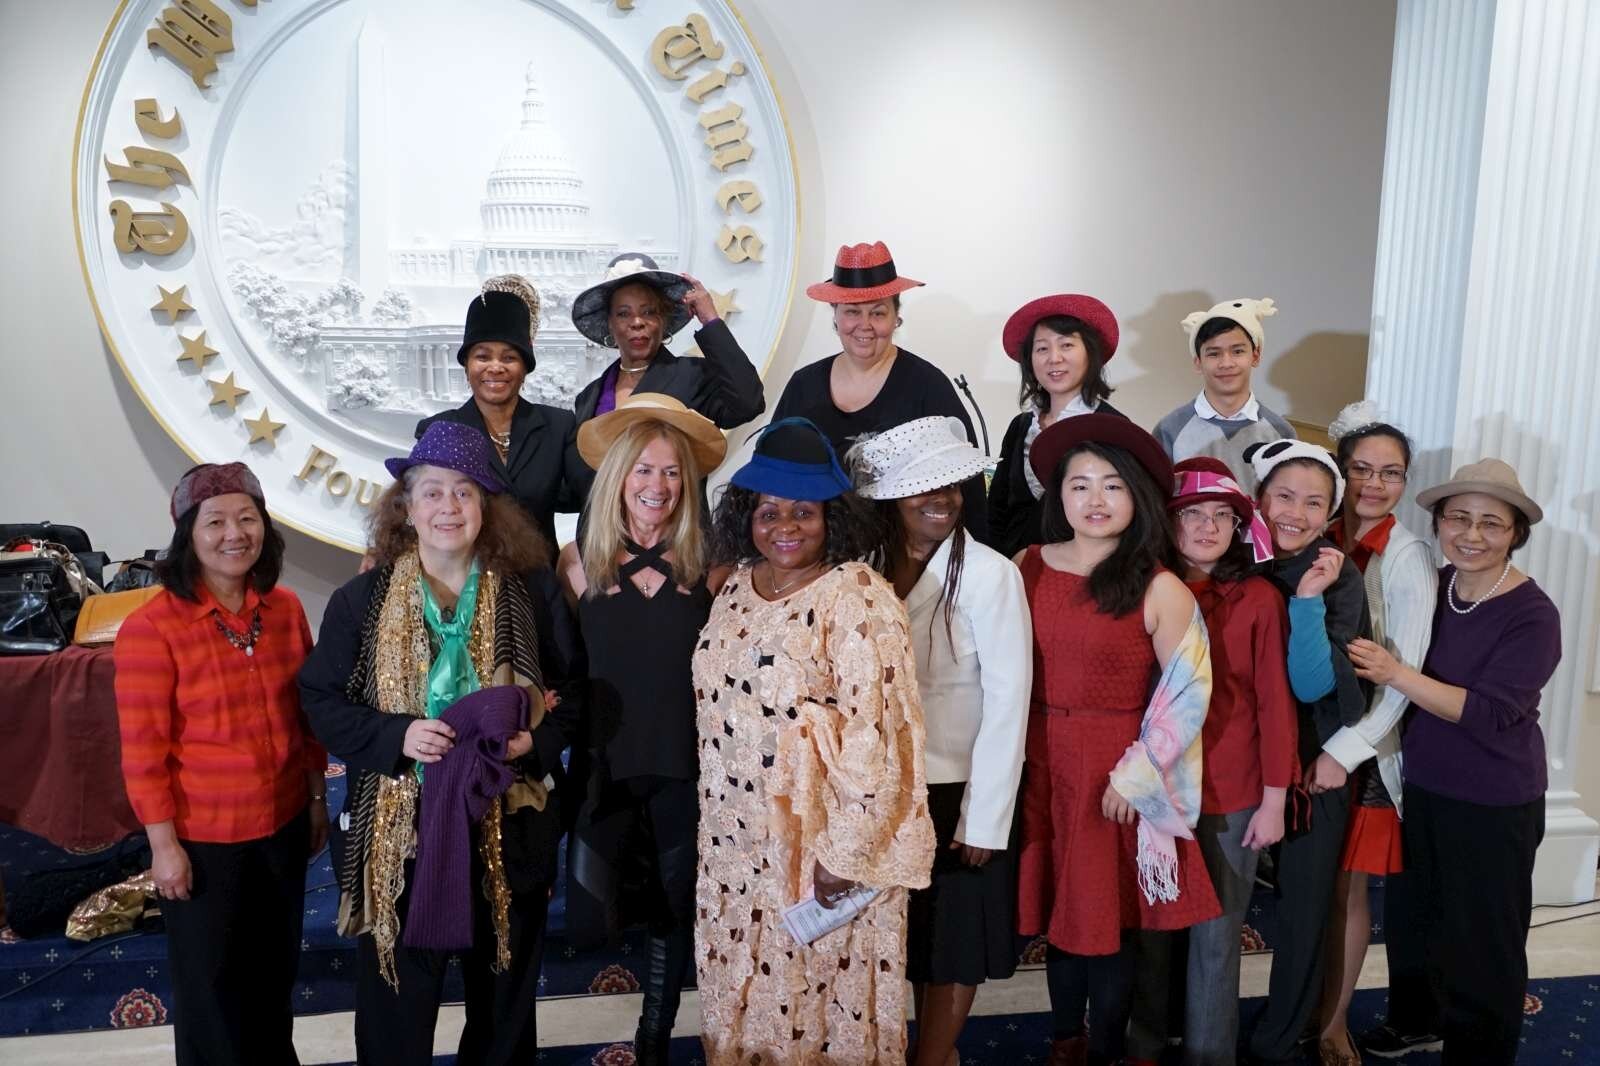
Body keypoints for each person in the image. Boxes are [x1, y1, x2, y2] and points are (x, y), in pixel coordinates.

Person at [298, 422, 581, 1066]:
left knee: (503, 999)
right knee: (397, 1003)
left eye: (464, 492)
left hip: (508, 825)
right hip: (398, 833)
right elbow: (320, 700)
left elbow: (575, 697)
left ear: (487, 506)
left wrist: (529, 747)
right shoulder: (361, 600)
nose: (448, 508)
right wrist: (398, 734)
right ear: (407, 506)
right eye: (431, 493)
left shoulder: (532, 594)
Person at [693, 418, 935, 1065]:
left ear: (832, 516)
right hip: (733, 850)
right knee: (741, 995)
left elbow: (882, 734)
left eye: (803, 511)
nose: (785, 526)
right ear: (747, 513)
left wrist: (845, 854)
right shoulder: (735, 588)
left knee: (819, 1007)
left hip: (817, 853)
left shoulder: (856, 597)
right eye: (768, 510)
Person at [1014, 414, 1219, 1066]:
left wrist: (1137, 776)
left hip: (1115, 772)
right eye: (1079, 486)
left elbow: (1189, 694)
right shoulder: (1027, 567)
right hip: (1040, 760)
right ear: (1059, 497)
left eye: (1111, 486)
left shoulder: (1159, 585)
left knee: (1107, 921)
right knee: (1059, 920)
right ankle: (1063, 1041)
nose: (1095, 500)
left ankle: (1107, 1049)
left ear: (1136, 497)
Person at [1348, 459, 1561, 1066]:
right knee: (1415, 919)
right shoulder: (1434, 584)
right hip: (1423, 786)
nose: (1472, 534)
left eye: (1491, 524)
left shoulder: (1533, 614)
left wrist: (1397, 675)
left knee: (1483, 942)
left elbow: (1492, 714)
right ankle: (1418, 1021)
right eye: (1458, 518)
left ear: (1515, 533)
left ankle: (1480, 1053)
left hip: (1495, 800)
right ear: (1439, 522)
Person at [114, 462, 326, 1066]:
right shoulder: (151, 629)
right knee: (212, 993)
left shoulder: (284, 609)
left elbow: (306, 719)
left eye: (247, 517)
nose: (234, 534)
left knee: (272, 978)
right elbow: (142, 752)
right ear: (188, 534)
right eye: (215, 522)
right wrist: (163, 847)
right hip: (203, 842)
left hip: (283, 825)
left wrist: (314, 800)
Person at [849, 416, 1033, 1066]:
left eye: (952, 488)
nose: (943, 501)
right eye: (925, 490)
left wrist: (987, 820)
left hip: (958, 791)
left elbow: (1010, 701)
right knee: (896, 938)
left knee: (953, 947)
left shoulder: (989, 574)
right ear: (891, 499)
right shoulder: (861, 569)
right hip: (877, 791)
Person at [556, 394, 729, 1064]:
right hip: (604, 765)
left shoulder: (711, 568)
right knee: (597, 913)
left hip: (686, 767)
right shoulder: (578, 566)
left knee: (674, 908)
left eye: (672, 473)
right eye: (644, 471)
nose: (657, 486)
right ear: (619, 476)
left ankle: (654, 1035)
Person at [1130, 456, 1297, 1066]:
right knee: (1152, 926)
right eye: (1192, 514)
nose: (1206, 527)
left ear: (1237, 525)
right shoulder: (1145, 587)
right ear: (1169, 523)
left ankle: (1209, 1054)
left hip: (1233, 787)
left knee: (1217, 937)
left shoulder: (1258, 599)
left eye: (1220, 516)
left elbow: (1275, 704)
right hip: (1159, 785)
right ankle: (1144, 1045)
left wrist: (1276, 797)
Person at [1239, 439, 1372, 1066]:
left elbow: (1316, 685)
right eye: (1284, 496)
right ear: (1260, 498)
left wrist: (1309, 600)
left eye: (1313, 502)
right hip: (1237, 756)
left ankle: (1278, 1037)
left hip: (1316, 763)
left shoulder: (1334, 574)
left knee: (1303, 907)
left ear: (1329, 514)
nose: (1296, 512)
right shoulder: (1233, 557)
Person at [1314, 405, 1438, 1066]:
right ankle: (1308, 1004)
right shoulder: (1318, 532)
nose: (1374, 483)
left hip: (1365, 748)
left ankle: (1334, 1021)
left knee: (1348, 890)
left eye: (1390, 473)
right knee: (1311, 888)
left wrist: (1349, 750)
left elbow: (1403, 674)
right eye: (1361, 468)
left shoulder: (1407, 552)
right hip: (1313, 735)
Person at [771, 241, 989, 542]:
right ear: (835, 317)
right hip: (817, 557)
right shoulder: (803, 385)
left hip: (907, 560)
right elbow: (772, 475)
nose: (864, 325)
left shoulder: (928, 385)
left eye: (877, 313)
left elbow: (968, 489)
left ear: (896, 317)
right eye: (851, 312)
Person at [416, 276, 592, 549]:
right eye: (483, 357)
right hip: (463, 584)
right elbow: (418, 509)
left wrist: (580, 557)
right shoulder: (439, 430)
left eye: (509, 358)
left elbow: (590, 499)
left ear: (525, 368)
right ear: (467, 367)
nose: (495, 367)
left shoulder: (558, 426)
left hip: (540, 584)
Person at [989, 294, 1129, 558]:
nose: (1054, 358)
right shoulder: (1020, 427)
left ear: (1090, 352)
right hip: (1016, 572)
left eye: (1066, 345)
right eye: (1042, 348)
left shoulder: (1113, 427)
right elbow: (997, 509)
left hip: (1085, 572)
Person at [571, 252, 765, 429]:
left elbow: (748, 404)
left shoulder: (694, 376)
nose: (637, 322)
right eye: (623, 314)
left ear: (663, 320)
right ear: (610, 325)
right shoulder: (588, 397)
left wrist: (711, 320)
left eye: (648, 312)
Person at [1153, 298, 1296, 488]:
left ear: (1256, 355)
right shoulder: (1169, 430)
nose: (1226, 363)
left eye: (1237, 351)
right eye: (1213, 353)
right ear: (1198, 362)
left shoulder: (1281, 432)